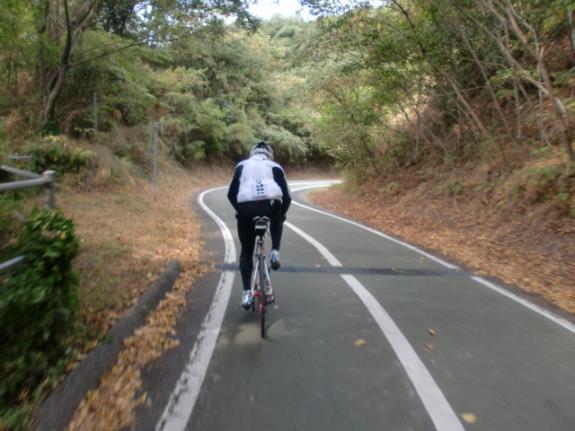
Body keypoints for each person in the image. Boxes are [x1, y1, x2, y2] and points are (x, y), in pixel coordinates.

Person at [227, 141, 291, 309]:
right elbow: (287, 198)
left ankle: (247, 294)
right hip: (271, 205)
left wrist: (239, 211)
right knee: (278, 217)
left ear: (252, 153)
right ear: (269, 154)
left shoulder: (242, 165)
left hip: (246, 208)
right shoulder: (275, 166)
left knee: (246, 252)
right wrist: (281, 215)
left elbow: (231, 194)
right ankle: (275, 252)